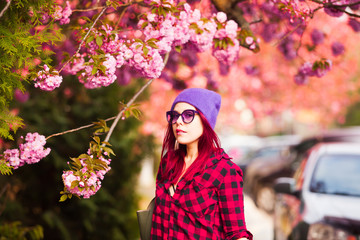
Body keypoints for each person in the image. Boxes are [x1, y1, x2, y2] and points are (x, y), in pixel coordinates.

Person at [151, 88, 253, 240]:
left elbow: (237, 234)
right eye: (175, 115)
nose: (178, 121)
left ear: (205, 120)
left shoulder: (225, 171)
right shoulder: (168, 162)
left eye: (188, 115)